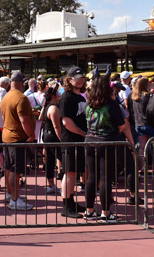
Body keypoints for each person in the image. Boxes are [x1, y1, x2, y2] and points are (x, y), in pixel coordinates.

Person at [83, 76, 135, 221]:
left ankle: (89, 211)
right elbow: (122, 125)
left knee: (92, 177)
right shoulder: (112, 104)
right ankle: (105, 213)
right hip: (107, 142)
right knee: (105, 178)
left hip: (90, 141)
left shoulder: (89, 104)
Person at [0, 71, 36, 211]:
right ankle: (14, 200)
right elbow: (24, 120)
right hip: (17, 138)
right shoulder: (21, 98)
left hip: (7, 136)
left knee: (9, 168)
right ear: (22, 83)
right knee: (15, 169)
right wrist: (31, 135)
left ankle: (11, 195)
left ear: (11, 83)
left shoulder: (6, 96)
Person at [58, 66, 88, 218]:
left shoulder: (81, 97)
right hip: (71, 141)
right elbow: (66, 122)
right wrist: (83, 133)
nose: (80, 80)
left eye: (82, 78)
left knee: (73, 172)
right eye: (77, 78)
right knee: (69, 173)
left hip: (79, 141)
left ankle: (71, 201)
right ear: (69, 80)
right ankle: (66, 205)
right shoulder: (66, 97)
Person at [40, 82, 63, 194]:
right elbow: (57, 126)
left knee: (49, 161)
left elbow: (40, 118)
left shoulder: (46, 106)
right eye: (58, 95)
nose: (59, 96)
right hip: (53, 137)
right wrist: (62, 139)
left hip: (47, 135)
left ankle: (51, 185)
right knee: (62, 159)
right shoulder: (53, 108)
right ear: (53, 96)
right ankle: (63, 186)